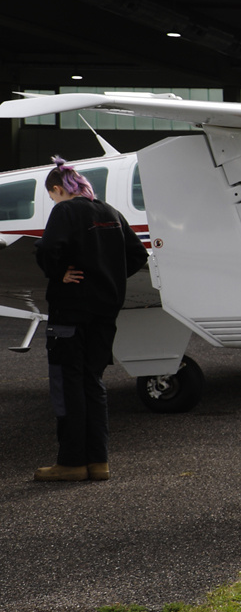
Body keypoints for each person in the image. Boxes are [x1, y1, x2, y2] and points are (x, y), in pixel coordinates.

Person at [33, 157, 148, 481]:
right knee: (92, 382)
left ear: (58, 189)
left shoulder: (65, 211)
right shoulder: (110, 212)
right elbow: (137, 255)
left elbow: (48, 250)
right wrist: (108, 276)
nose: (53, 201)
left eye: (52, 195)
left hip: (70, 311)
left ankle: (70, 462)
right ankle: (98, 461)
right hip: (104, 312)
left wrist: (59, 273)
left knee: (67, 383)